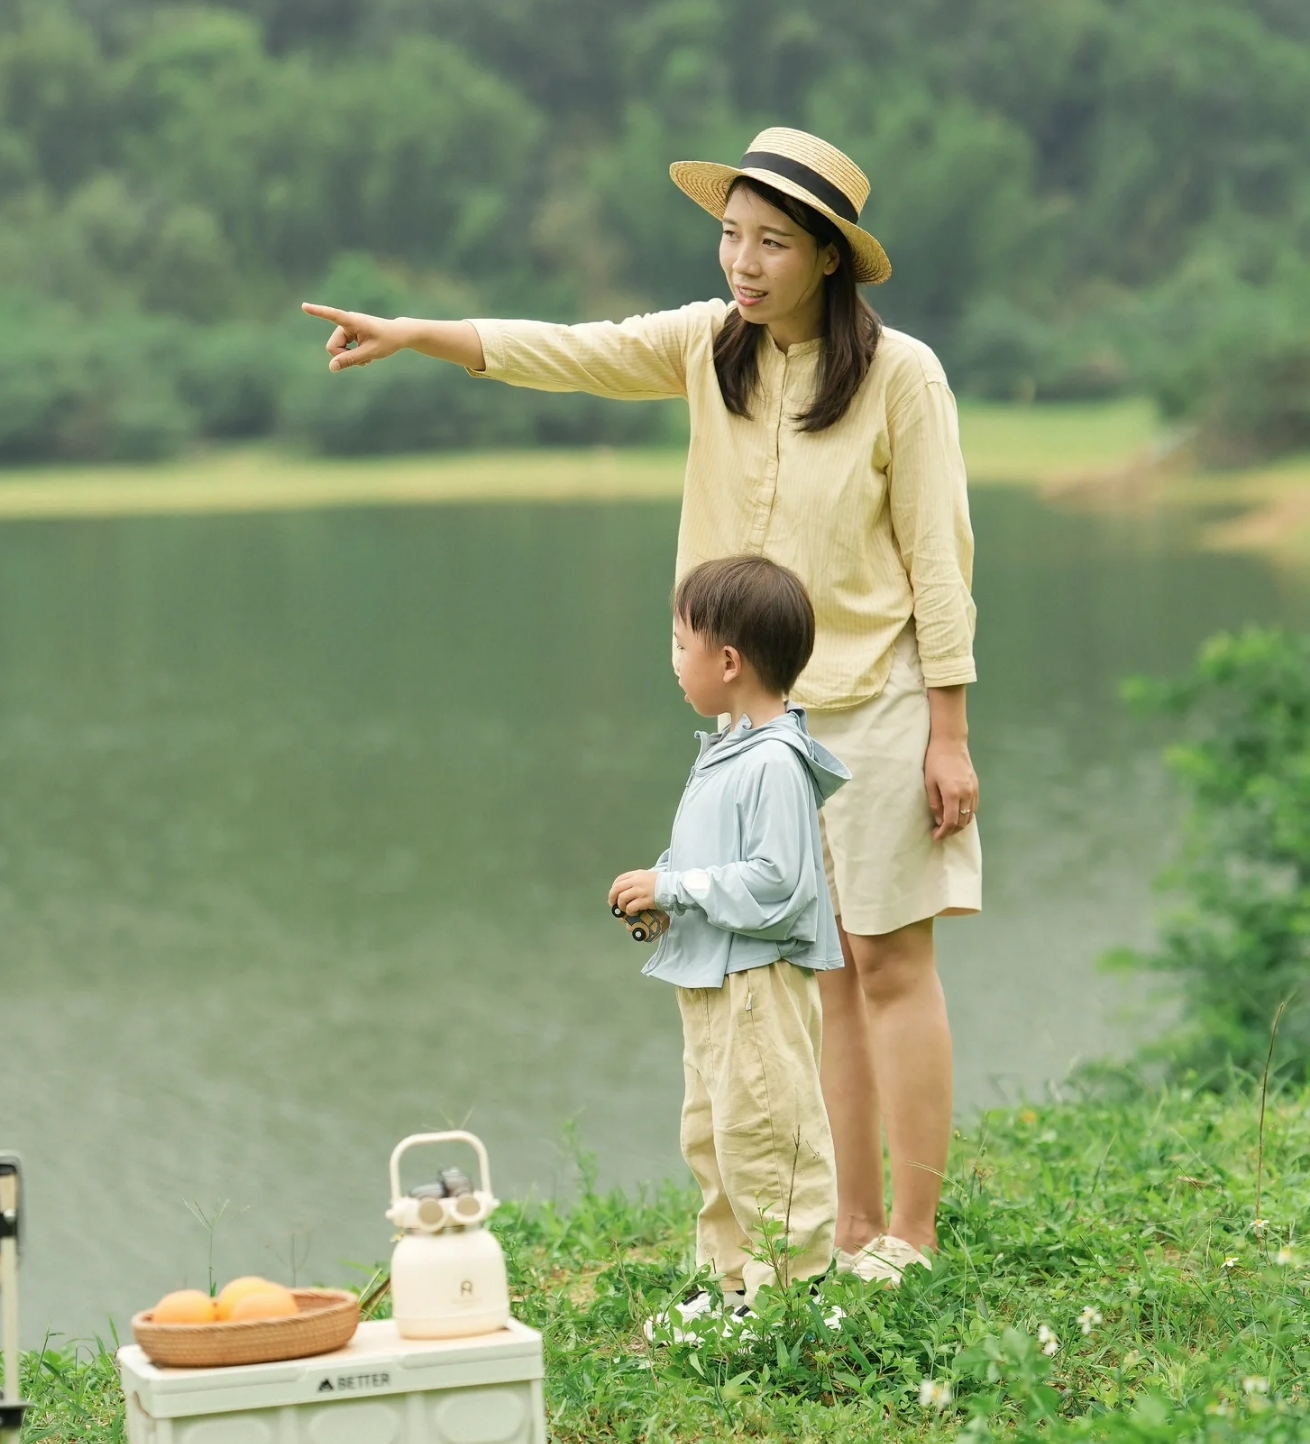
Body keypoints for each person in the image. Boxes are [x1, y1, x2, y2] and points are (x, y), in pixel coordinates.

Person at [304, 126, 980, 1282]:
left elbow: (938, 553)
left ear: (826, 256)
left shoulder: (900, 374)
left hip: (878, 700)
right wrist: (420, 333)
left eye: (773, 242)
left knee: (889, 963)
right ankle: (852, 1226)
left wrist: (950, 733)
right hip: (760, 724)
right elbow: (570, 349)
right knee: (815, 972)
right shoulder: (706, 345)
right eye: (731, 235)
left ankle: (912, 1233)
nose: (744, 262)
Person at [608, 554, 847, 1324]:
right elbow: (717, 866)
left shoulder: (775, 761)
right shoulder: (726, 751)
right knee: (711, 1136)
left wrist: (674, 886)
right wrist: (662, 891)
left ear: (728, 660)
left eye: (680, 643)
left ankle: (795, 1294)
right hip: (711, 984)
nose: (673, 660)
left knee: (768, 1135)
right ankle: (729, 1284)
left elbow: (778, 885)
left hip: (756, 986)